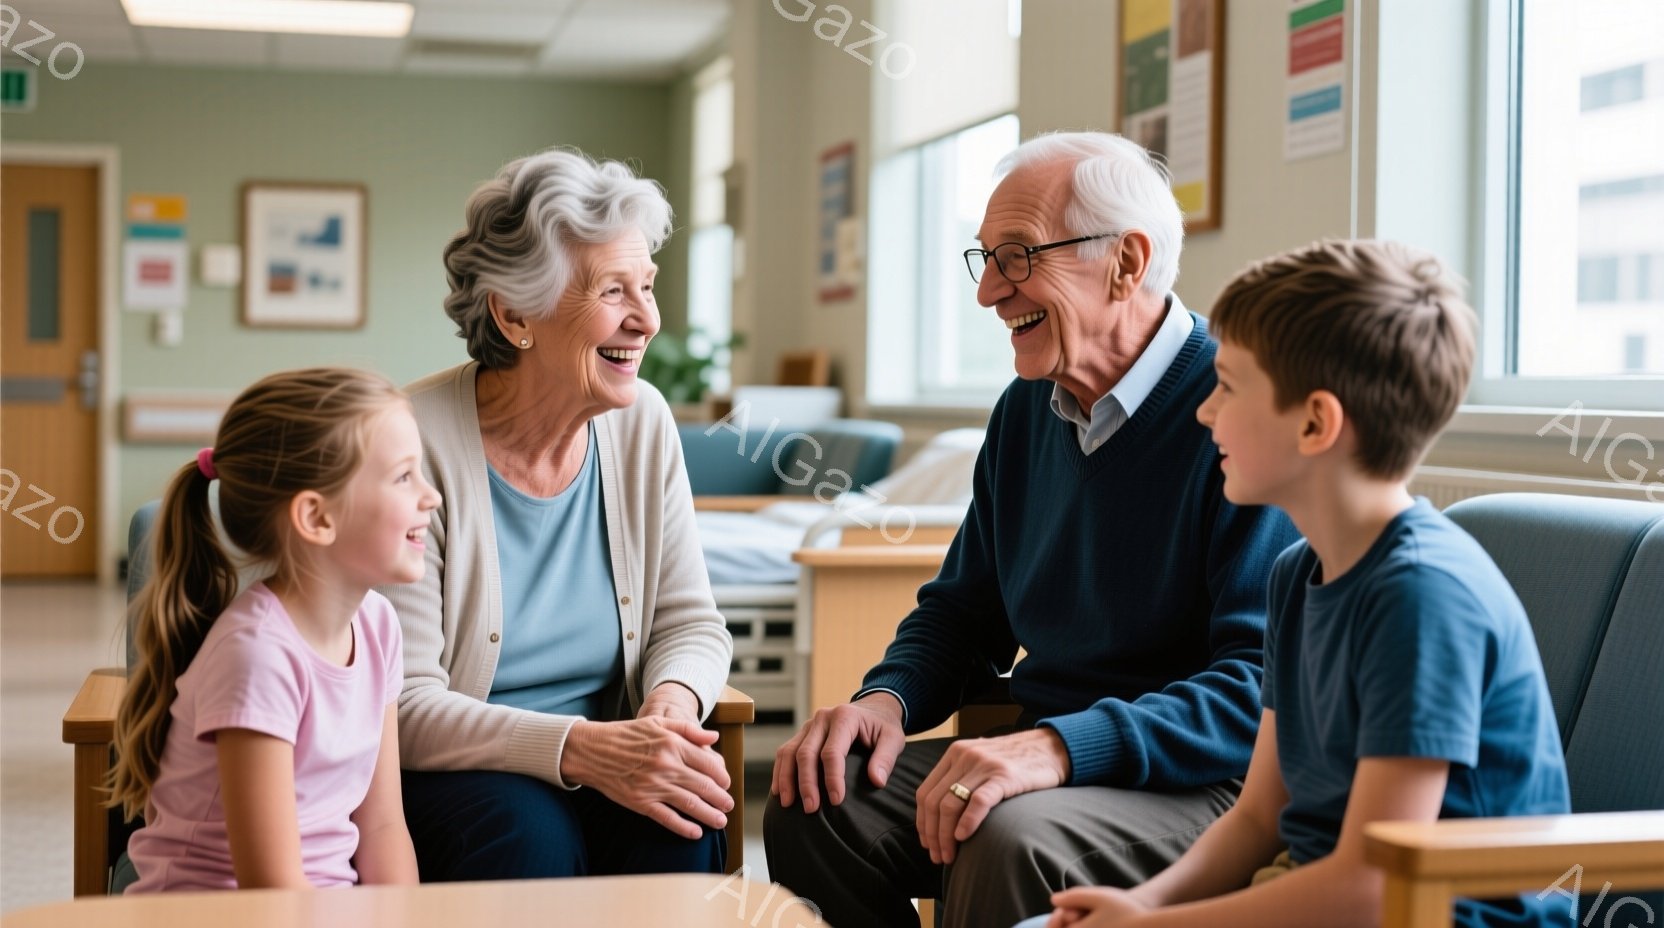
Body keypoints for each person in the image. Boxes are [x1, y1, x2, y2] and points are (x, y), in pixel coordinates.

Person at [763, 131, 1301, 927]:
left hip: (1206, 782)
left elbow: (1255, 688)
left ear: (1125, 262)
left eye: (1016, 257)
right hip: (1047, 752)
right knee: (817, 801)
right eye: (984, 260)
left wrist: (1058, 748)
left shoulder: (1240, 415)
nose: (989, 293)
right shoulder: (1025, 411)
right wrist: (885, 700)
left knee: (1006, 835)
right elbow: (961, 613)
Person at [1022, 240, 1571, 928]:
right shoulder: (1296, 574)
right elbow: (1258, 817)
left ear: (1315, 422)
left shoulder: (1422, 596)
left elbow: (1374, 887)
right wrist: (1142, 903)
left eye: (1228, 386)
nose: (1203, 411)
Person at [382, 148, 735, 882]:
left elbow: (690, 623)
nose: (646, 319)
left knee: (681, 824)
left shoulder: (641, 425)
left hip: (611, 747)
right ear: (515, 315)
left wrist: (668, 709)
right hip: (460, 763)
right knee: (526, 838)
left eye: (647, 285)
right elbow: (405, 704)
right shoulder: (409, 440)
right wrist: (580, 749)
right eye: (614, 291)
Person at [110, 367, 434, 892]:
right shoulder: (257, 654)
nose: (431, 496)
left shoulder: (378, 626)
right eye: (404, 477)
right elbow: (271, 890)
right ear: (316, 517)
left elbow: (381, 826)